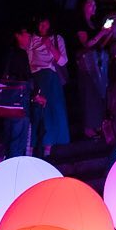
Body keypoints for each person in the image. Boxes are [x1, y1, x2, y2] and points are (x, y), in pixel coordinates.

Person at [28, 16, 70, 158]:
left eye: (46, 25)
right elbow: (29, 61)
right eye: (41, 25)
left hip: (52, 78)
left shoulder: (57, 39)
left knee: (53, 112)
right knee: (38, 112)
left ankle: (48, 146)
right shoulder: (32, 39)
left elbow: (63, 61)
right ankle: (32, 145)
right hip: (38, 77)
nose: (43, 28)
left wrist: (50, 46)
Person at [72, 0, 111, 139]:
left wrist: (108, 34)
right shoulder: (80, 23)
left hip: (97, 64)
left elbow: (99, 45)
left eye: (95, 4)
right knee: (89, 95)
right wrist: (102, 32)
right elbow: (86, 44)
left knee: (98, 94)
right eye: (90, 4)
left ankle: (97, 124)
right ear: (82, 6)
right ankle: (88, 127)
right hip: (86, 66)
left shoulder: (94, 24)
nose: (93, 6)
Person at [0, 24, 38, 158]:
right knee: (18, 139)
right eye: (26, 34)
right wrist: (35, 94)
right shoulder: (19, 54)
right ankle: (15, 167)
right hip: (19, 102)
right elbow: (23, 78)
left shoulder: (10, 53)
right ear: (18, 35)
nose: (29, 37)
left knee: (11, 137)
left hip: (10, 103)